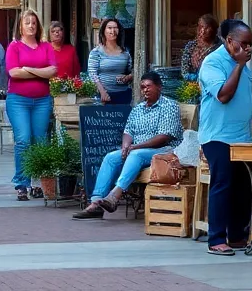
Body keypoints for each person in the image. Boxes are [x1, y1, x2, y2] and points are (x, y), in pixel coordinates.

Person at [199, 21, 252, 256]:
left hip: (242, 136)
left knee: (242, 186)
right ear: (229, 41)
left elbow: (239, 93)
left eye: (251, 44)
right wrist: (240, 64)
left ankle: (237, 235)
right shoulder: (213, 62)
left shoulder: (242, 63)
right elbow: (223, 95)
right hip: (218, 136)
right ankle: (216, 239)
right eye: (244, 44)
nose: (248, 49)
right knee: (223, 184)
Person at [72, 71, 184, 219]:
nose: (145, 90)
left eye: (149, 86)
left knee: (135, 154)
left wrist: (135, 147)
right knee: (111, 157)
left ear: (159, 87)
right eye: (142, 87)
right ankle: (95, 204)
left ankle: (114, 196)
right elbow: (128, 131)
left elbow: (164, 137)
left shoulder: (169, 106)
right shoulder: (138, 108)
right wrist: (126, 146)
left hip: (164, 150)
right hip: (137, 150)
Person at [4, 10, 57, 201]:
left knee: (40, 140)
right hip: (18, 100)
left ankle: (37, 183)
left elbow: (53, 71)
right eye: (27, 23)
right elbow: (14, 73)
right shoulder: (14, 47)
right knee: (24, 139)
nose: (31, 26)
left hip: (42, 101)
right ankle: (22, 184)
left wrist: (28, 69)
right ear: (21, 26)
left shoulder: (46, 46)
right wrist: (39, 72)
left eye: (34, 23)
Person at [88, 18, 133, 105]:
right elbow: (92, 74)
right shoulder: (96, 52)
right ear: (103, 31)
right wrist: (102, 92)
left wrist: (128, 77)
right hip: (103, 96)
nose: (113, 30)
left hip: (123, 95)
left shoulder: (125, 52)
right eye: (109, 28)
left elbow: (131, 71)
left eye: (115, 28)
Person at [180, 14, 222, 79]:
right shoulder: (191, 46)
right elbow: (184, 70)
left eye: (207, 28)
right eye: (200, 27)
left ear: (213, 29)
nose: (203, 31)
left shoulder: (220, 47)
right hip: (191, 85)